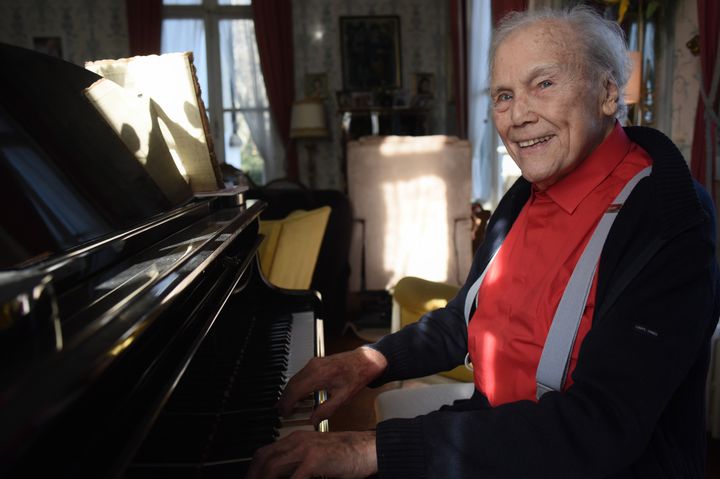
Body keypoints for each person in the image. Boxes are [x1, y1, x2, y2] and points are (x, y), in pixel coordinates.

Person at [248, 6, 720, 478]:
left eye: (544, 84)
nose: (518, 116)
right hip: (495, 431)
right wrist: (371, 359)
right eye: (503, 95)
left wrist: (369, 450)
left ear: (607, 92)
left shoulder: (669, 220)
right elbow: (467, 319)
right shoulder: (522, 197)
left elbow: (601, 426)